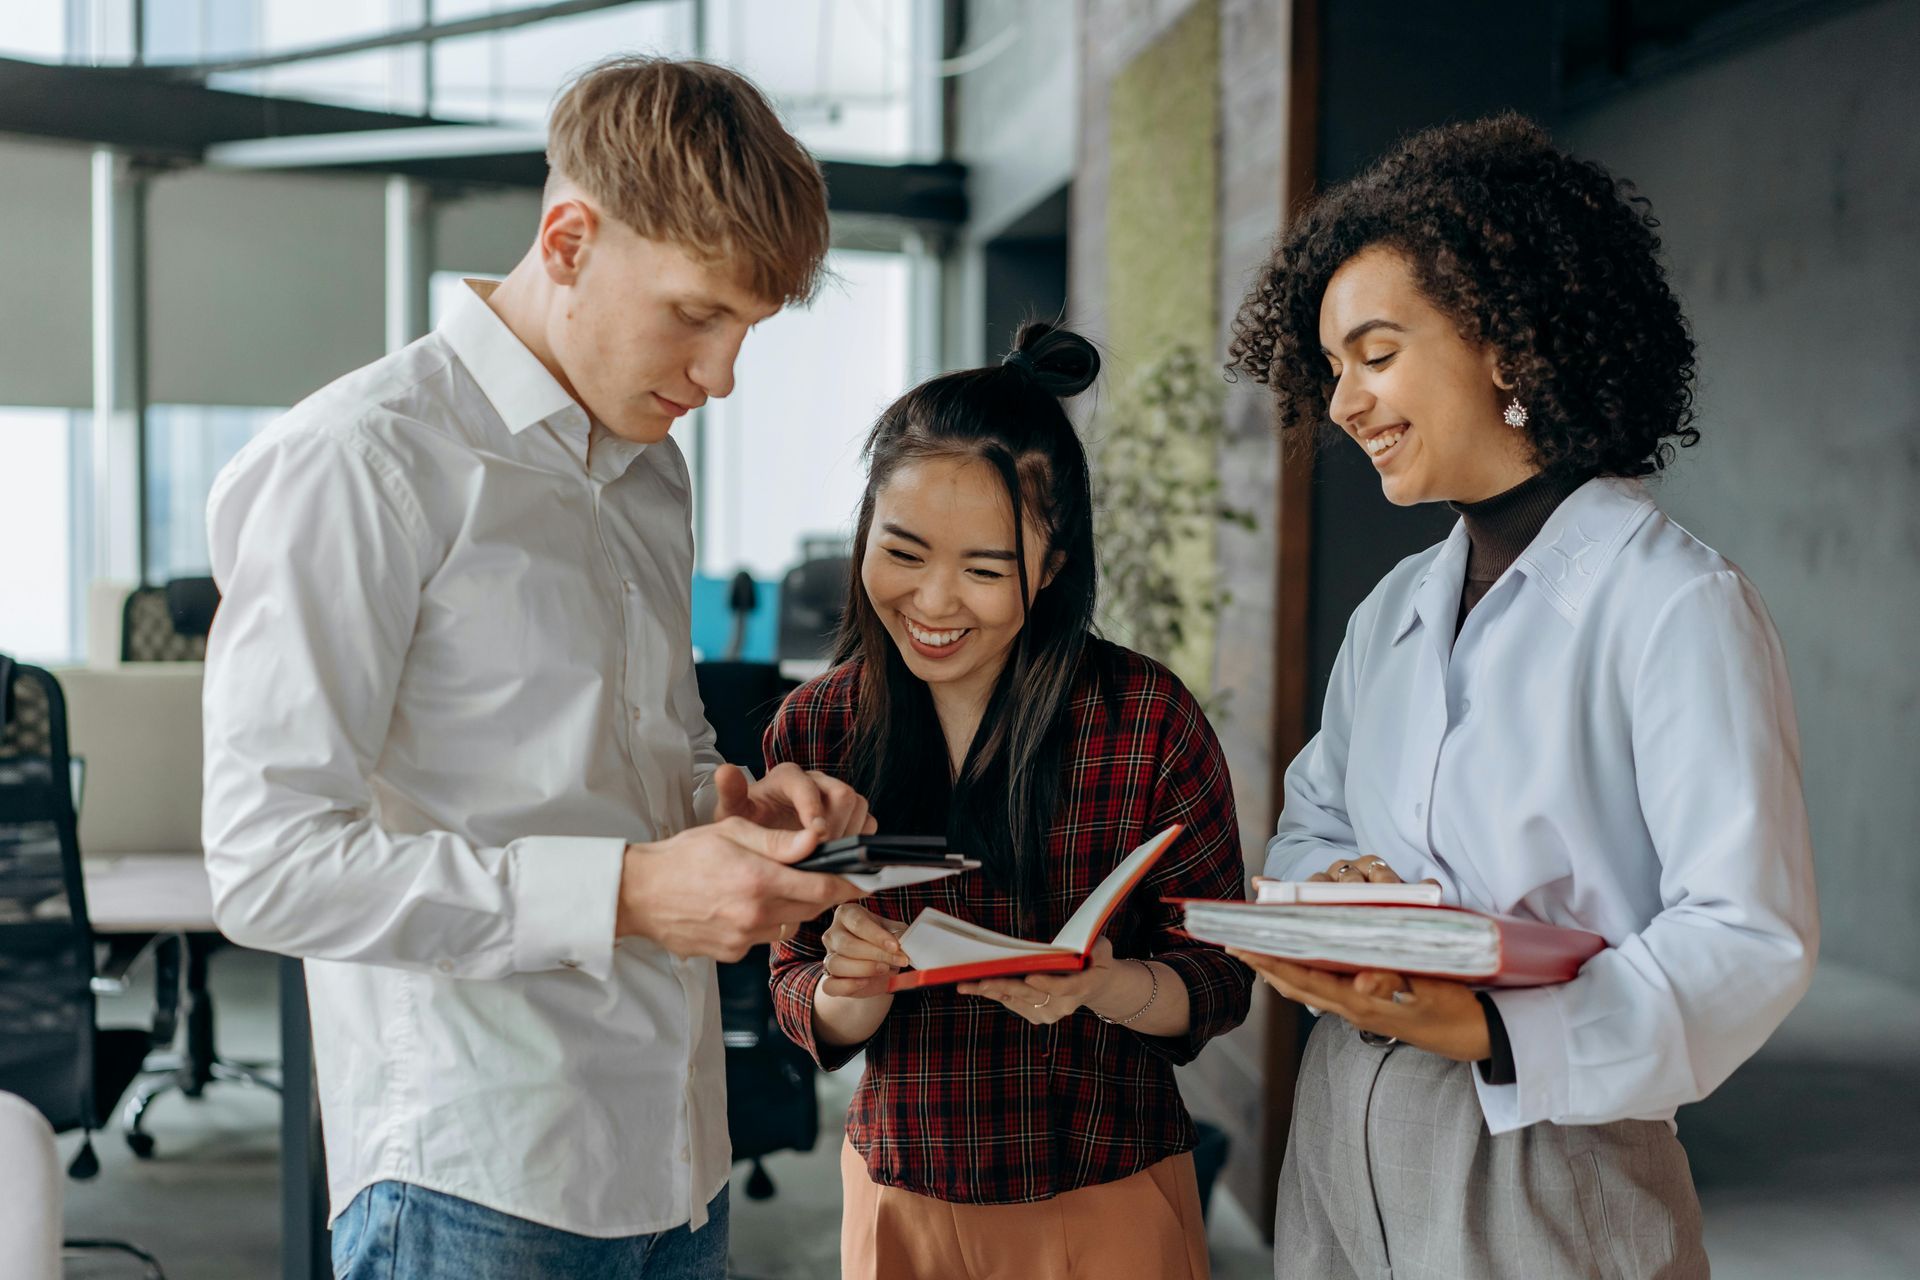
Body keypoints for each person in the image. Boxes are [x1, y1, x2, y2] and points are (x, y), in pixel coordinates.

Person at [200, 56, 876, 1280]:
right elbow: (266, 864)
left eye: (748, 330)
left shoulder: (650, 467)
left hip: (677, 1157)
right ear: (568, 240)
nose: (722, 377)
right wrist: (625, 891)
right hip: (476, 1176)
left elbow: (642, 765)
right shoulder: (362, 463)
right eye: (696, 313)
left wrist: (740, 808)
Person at [1225, 114, 1819, 1279]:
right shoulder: (1394, 608)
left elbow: (1748, 932)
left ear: (1510, 342)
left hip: (1547, 1160)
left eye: (1377, 353)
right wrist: (1329, 880)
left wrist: (1497, 1025)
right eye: (1333, 367)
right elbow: (1316, 814)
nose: (1343, 402)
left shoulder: (1674, 603)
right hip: (1341, 1140)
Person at [764, 324, 1254, 1280]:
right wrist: (844, 989)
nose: (934, 602)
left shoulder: (1144, 717)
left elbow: (1221, 970)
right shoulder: (814, 733)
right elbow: (793, 976)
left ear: (1054, 567)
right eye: (902, 552)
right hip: (902, 1194)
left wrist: (1102, 985)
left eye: (985, 571)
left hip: (1108, 1193)